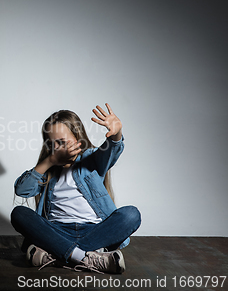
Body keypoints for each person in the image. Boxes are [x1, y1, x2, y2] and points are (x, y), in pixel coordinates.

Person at [10, 103, 141, 274]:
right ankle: (88, 257)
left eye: (62, 142)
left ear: (78, 139)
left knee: (131, 214)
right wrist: (49, 161)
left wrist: (116, 133)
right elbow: (22, 190)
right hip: (56, 231)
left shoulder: (91, 160)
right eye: (52, 144)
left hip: (93, 231)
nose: (57, 148)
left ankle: (60, 254)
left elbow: (111, 151)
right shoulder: (48, 169)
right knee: (19, 213)